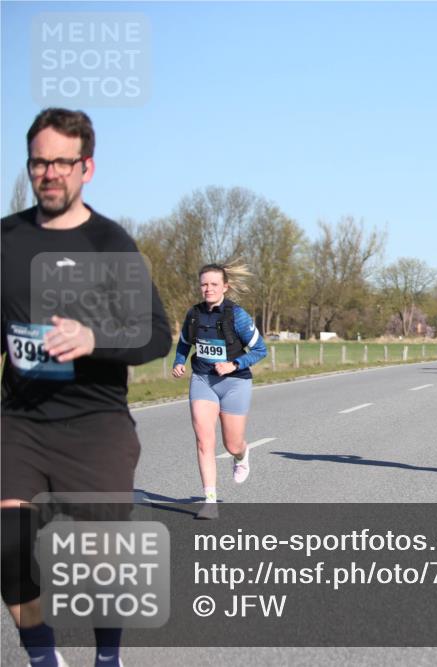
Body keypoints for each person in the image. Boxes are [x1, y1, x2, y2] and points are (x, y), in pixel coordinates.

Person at [2, 108, 172, 667]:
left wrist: (92, 338)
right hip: (21, 418)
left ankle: (107, 657)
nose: (48, 173)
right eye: (38, 162)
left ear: (87, 167)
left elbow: (155, 335)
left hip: (96, 422)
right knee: (8, 541)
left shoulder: (109, 242)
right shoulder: (8, 240)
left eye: (61, 162)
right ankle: (43, 656)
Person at [172, 262, 267, 519]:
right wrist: (179, 362)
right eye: (204, 284)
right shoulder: (193, 315)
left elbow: (261, 350)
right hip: (203, 380)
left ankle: (241, 455)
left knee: (232, 443)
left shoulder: (237, 316)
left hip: (235, 382)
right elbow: (183, 344)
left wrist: (234, 363)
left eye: (214, 284)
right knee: (204, 441)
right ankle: (210, 500)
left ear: (225, 286)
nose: (208, 289)